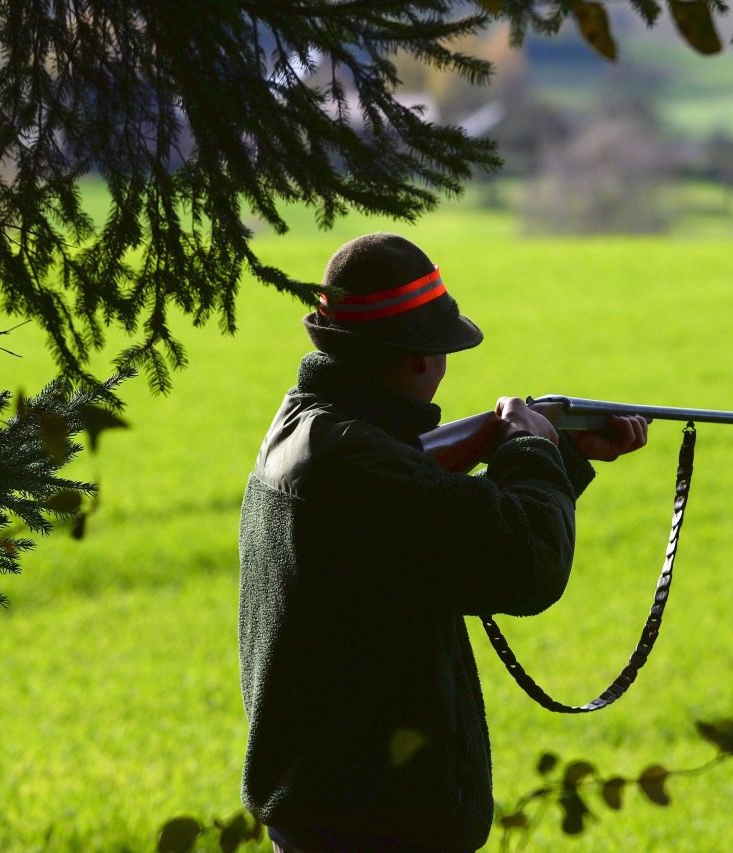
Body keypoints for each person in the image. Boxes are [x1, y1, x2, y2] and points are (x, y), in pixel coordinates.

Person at [237, 233, 648, 851]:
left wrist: (559, 454)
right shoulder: (362, 462)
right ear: (418, 357)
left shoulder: (313, 427)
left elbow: (446, 530)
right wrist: (529, 447)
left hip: (334, 811)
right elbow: (526, 563)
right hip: (374, 823)